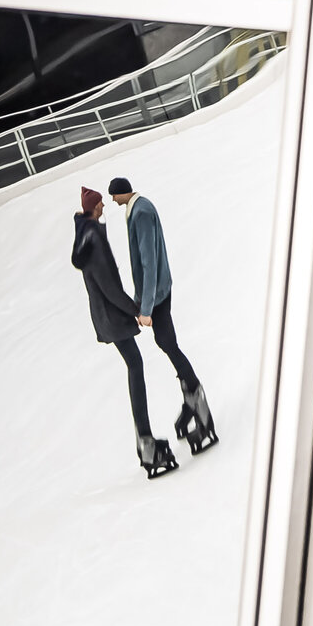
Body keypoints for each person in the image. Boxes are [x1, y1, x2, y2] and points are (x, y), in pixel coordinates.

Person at [71, 186, 179, 478]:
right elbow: (109, 286)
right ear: (93, 209)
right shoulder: (93, 240)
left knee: (135, 364)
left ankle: (144, 439)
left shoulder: (87, 233)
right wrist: (136, 310)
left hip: (106, 315)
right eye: (100, 204)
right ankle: (145, 441)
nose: (105, 206)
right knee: (135, 365)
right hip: (112, 315)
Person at [109, 175, 217, 454]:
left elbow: (148, 261)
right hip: (156, 291)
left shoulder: (141, 213)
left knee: (168, 342)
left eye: (114, 196)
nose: (113, 201)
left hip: (157, 294)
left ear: (122, 194)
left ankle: (197, 398)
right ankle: (192, 397)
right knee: (166, 342)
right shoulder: (140, 207)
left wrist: (145, 308)